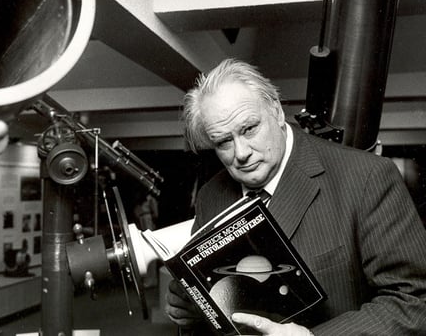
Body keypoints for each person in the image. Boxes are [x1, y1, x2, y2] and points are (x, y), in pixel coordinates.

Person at [165, 58, 426, 335]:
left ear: (277, 111)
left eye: (249, 129)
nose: (241, 153)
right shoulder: (211, 196)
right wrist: (194, 310)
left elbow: (415, 301)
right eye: (223, 142)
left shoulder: (367, 177)